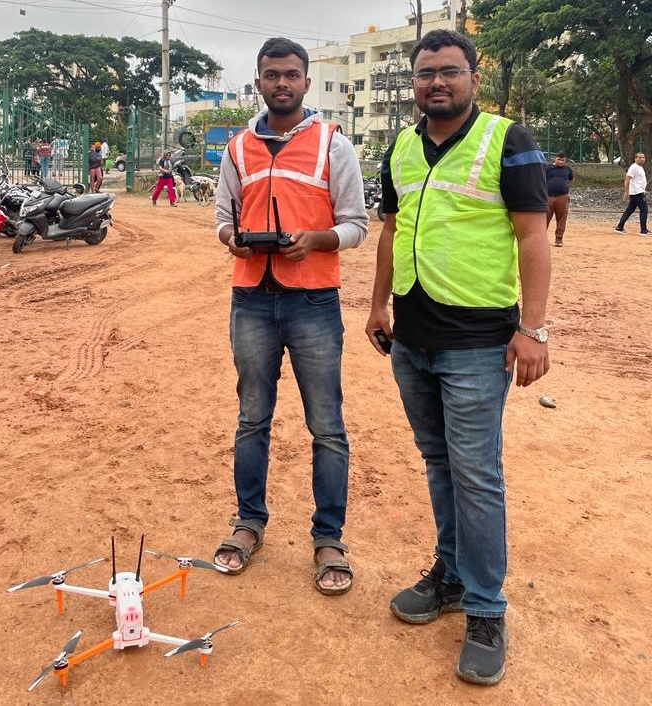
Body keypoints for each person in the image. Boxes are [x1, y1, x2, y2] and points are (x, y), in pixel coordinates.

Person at [366, 29, 550, 685]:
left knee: (476, 475)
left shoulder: (508, 140)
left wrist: (534, 330)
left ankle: (486, 609)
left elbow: (533, 238)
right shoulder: (402, 149)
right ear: (413, 83)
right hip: (411, 340)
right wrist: (377, 304)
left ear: (473, 75)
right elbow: (393, 230)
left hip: (477, 345)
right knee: (439, 463)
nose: (436, 82)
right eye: (425, 73)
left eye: (449, 70)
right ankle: (449, 573)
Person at [213, 37, 368, 595]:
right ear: (258, 81)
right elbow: (222, 219)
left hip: (313, 302)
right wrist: (233, 238)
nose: (282, 83)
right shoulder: (237, 149)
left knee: (326, 426)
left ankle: (329, 538)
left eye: (292, 74)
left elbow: (356, 224)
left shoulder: (334, 145)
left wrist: (317, 239)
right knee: (252, 419)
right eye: (272, 74)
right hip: (251, 297)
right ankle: (248, 524)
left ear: (307, 81)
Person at [614, 152, 649, 235]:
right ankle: (644, 230)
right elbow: (627, 179)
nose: (642, 159)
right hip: (637, 192)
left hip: (637, 191)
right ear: (635, 158)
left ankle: (619, 227)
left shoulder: (639, 167)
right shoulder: (634, 167)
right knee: (644, 210)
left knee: (629, 210)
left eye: (643, 157)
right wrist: (627, 192)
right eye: (640, 157)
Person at [546, 151, 574, 247]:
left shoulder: (568, 169)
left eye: (563, 160)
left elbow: (571, 179)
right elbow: (542, 179)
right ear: (555, 158)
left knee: (562, 219)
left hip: (562, 197)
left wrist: (565, 187)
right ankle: (541, 239)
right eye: (559, 159)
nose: (561, 162)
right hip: (548, 197)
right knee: (544, 219)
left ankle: (559, 239)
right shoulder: (548, 168)